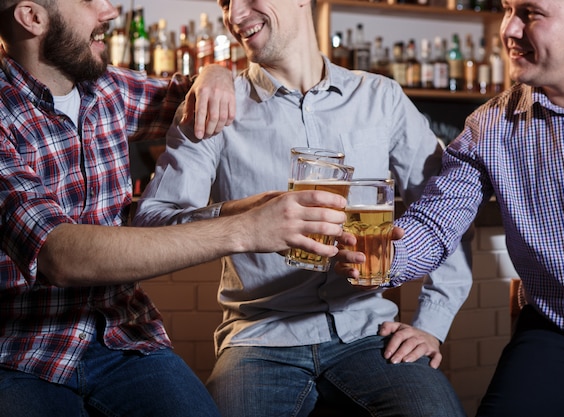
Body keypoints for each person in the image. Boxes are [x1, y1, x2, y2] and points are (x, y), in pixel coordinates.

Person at [0, 1, 349, 416]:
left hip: (123, 337)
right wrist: (246, 229)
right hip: (21, 351)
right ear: (32, 17)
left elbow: (205, 98)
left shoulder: (108, 89)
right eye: (89, 0)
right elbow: (60, 254)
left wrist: (214, 73)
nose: (110, 11)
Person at [134, 0, 473, 415]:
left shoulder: (380, 98)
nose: (234, 14)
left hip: (368, 330)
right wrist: (245, 217)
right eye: (224, 2)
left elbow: (448, 209)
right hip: (259, 338)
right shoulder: (216, 101)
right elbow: (151, 224)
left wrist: (430, 326)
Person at [337, 0, 564, 416]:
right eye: (508, 10)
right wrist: (379, 256)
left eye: (530, 13)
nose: (508, 29)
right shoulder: (489, 128)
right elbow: (435, 223)